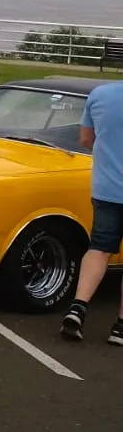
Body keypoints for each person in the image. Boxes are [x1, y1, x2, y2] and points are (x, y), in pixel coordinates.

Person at [61, 80, 123, 344]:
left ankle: (78, 308)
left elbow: (86, 139)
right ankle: (120, 328)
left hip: (106, 189)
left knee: (99, 248)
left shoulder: (101, 94)